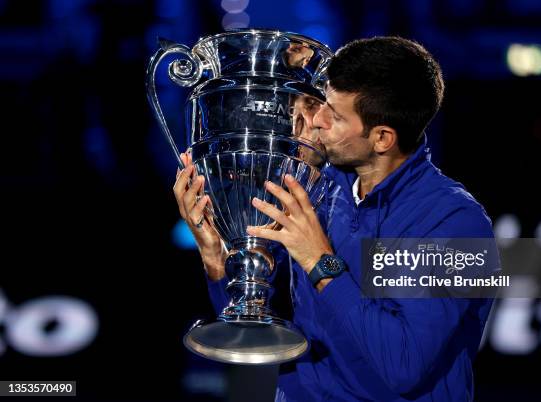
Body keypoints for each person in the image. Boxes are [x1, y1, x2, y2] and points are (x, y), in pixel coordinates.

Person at [174, 36, 496, 401]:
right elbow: (258, 336)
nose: (317, 121)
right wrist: (219, 261)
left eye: (336, 116)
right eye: (322, 103)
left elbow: (403, 368)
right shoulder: (315, 188)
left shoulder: (457, 223)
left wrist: (319, 261)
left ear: (382, 138)